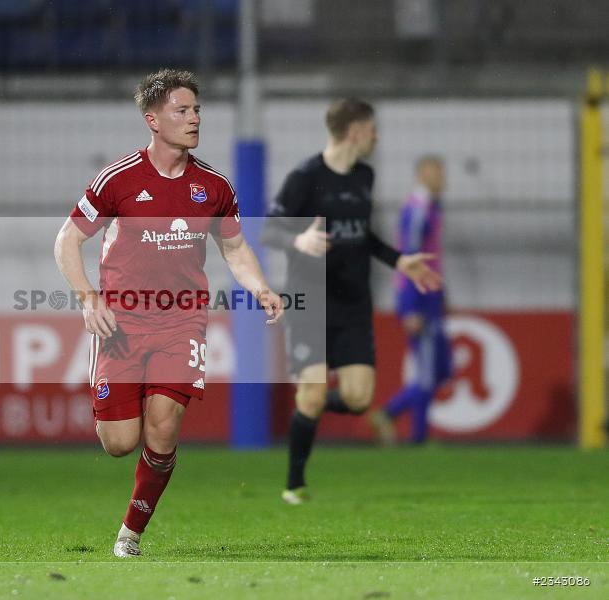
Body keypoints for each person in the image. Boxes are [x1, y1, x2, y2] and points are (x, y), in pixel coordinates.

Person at [54, 68, 283, 557]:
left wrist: (261, 286)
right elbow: (67, 239)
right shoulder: (118, 179)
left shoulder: (214, 186)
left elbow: (235, 247)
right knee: (119, 442)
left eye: (197, 109)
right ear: (152, 119)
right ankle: (123, 409)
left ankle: (130, 533)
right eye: (182, 110)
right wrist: (87, 297)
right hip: (122, 323)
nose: (194, 118)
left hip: (182, 320)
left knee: (164, 425)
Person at [261, 98, 442, 505]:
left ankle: (312, 404)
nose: (377, 136)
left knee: (360, 398)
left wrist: (400, 261)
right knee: (312, 395)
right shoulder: (305, 177)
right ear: (355, 130)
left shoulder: (365, 176)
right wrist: (299, 239)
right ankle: (294, 483)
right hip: (310, 300)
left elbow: (364, 235)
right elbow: (269, 231)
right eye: (372, 128)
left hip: (354, 305)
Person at [369, 156, 453, 445]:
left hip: (431, 296)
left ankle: (389, 413)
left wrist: (442, 294)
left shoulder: (431, 207)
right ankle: (418, 437)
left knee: (443, 368)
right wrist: (411, 305)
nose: (443, 178)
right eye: (437, 172)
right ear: (422, 175)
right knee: (428, 371)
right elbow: (410, 257)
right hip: (418, 298)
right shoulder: (416, 210)